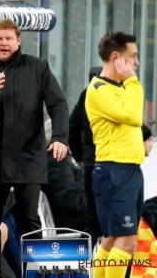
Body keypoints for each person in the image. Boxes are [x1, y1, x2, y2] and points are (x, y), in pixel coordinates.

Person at [0, 18, 69, 275]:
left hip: (27, 156)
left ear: (19, 41)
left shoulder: (38, 67)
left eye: (8, 38)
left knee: (28, 218)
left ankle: (36, 270)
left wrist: (60, 137)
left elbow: (58, 104)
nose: (3, 43)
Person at [85, 31, 143, 278]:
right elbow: (134, 116)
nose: (137, 63)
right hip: (115, 171)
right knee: (127, 242)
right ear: (116, 57)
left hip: (126, 171)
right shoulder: (99, 89)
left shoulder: (118, 88)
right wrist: (132, 80)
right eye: (134, 57)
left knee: (111, 240)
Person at [68, 67, 103, 248]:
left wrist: (79, 155)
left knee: (92, 215)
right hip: (113, 160)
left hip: (91, 160)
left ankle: (87, 262)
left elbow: (72, 128)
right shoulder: (114, 95)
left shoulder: (85, 96)